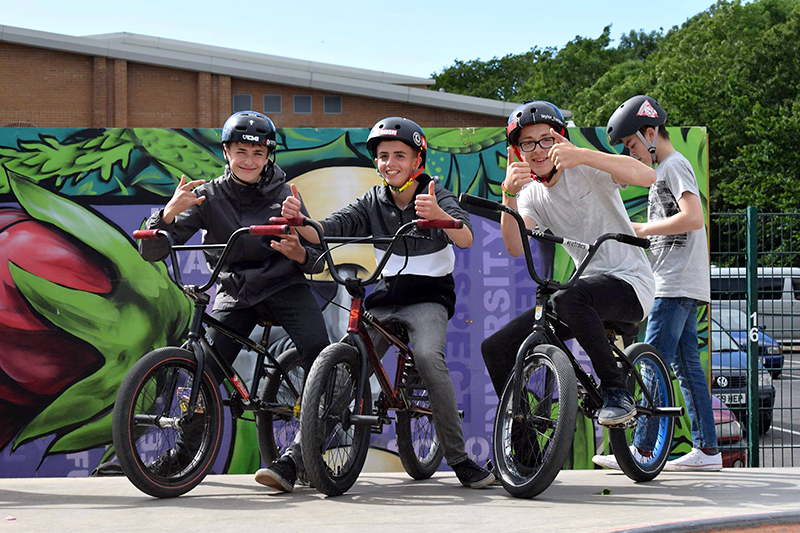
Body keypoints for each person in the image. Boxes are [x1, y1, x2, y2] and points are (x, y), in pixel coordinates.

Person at [282, 116, 495, 489]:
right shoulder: (372, 200)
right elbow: (329, 229)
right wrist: (302, 222)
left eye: (400, 155)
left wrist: (442, 218)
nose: (390, 163)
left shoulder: (434, 193)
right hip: (384, 298)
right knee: (344, 367)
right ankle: (297, 457)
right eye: (383, 156)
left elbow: (466, 238)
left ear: (417, 161)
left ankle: (460, 460)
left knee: (429, 357)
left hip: (429, 298)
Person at [140, 110, 330, 491]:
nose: (249, 160)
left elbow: (318, 256)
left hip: (283, 285)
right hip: (235, 291)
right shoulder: (207, 195)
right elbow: (154, 250)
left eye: (257, 153)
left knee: (321, 355)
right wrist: (165, 214)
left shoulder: (285, 193)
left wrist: (299, 248)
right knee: (202, 373)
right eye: (240, 151)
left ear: (268, 157)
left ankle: (299, 456)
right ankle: (182, 454)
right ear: (226, 152)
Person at [481, 101, 657, 429]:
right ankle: (520, 454)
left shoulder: (587, 167)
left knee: (568, 297)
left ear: (560, 138)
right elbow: (515, 246)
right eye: (527, 143)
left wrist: (583, 155)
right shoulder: (530, 194)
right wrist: (508, 193)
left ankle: (616, 391)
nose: (537, 150)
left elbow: (647, 175)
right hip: (584, 292)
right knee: (497, 348)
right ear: (517, 151)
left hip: (631, 284)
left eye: (546, 139)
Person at [594, 95, 721, 471]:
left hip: (675, 284)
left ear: (651, 134)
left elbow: (693, 217)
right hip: (677, 281)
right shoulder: (665, 169)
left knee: (650, 364)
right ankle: (708, 450)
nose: (633, 155)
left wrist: (643, 228)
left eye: (633, 146)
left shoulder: (673, 166)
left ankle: (643, 451)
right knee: (685, 368)